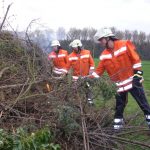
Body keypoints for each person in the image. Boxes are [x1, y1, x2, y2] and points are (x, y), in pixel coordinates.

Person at [92, 27, 150, 129]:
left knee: (143, 104)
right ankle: (117, 127)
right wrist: (87, 79)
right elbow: (98, 71)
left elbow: (136, 60)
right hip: (119, 85)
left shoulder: (124, 44)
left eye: (101, 39)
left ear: (108, 37)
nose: (100, 42)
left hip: (133, 81)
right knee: (119, 107)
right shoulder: (104, 55)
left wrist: (138, 76)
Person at [68, 39, 95, 105]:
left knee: (88, 89)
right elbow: (67, 66)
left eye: (75, 47)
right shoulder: (70, 56)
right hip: (76, 78)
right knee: (75, 90)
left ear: (79, 46)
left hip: (86, 76)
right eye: (73, 47)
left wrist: (90, 73)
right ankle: (76, 103)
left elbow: (92, 64)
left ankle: (90, 101)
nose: (74, 48)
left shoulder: (87, 53)